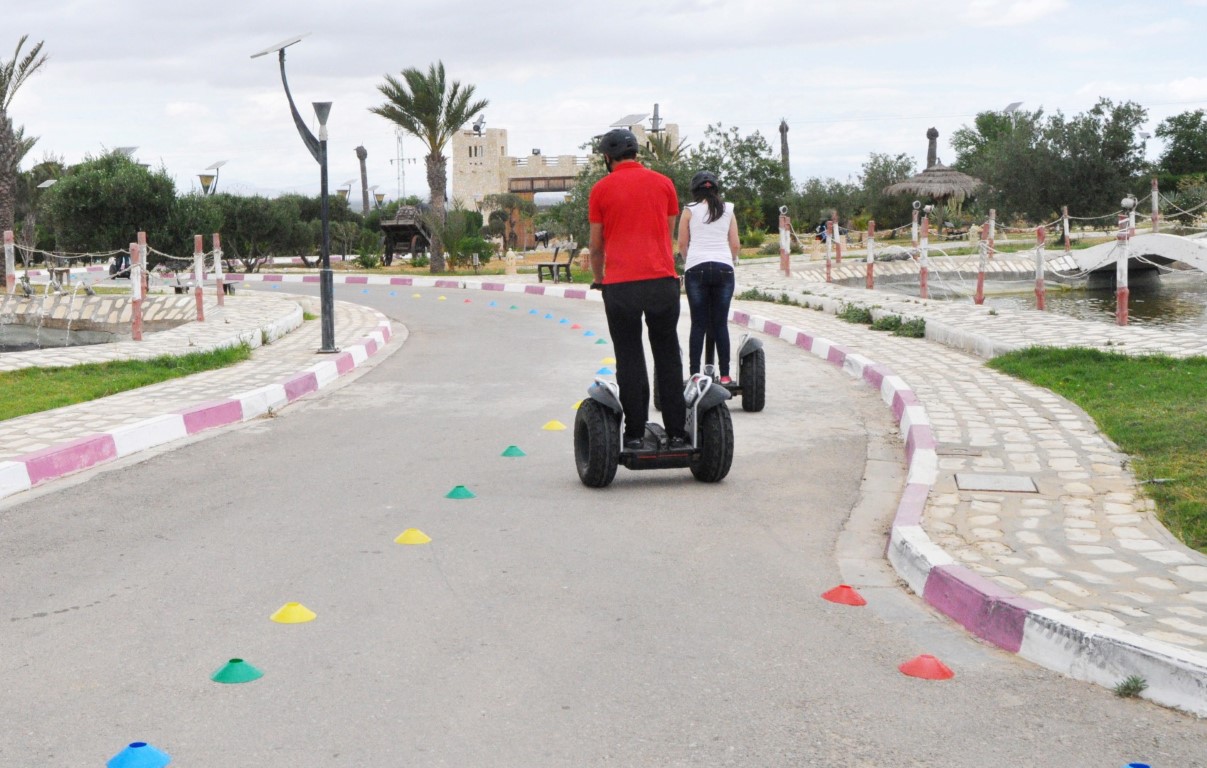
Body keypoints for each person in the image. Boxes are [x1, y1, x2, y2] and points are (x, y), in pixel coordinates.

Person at [588, 128, 688, 451]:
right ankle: (676, 431)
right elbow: (668, 236)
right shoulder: (664, 184)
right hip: (661, 282)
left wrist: (599, 278)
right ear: (637, 154)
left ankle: (633, 434)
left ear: (607, 157)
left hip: (620, 287)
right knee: (668, 353)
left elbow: (595, 246)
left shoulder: (600, 190)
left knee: (629, 357)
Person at [677, 170, 739, 383]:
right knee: (720, 323)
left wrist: (689, 260)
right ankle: (724, 375)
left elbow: (682, 244)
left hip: (696, 269)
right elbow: (735, 245)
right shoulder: (728, 209)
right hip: (724, 268)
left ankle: (695, 374)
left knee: (699, 324)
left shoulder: (689, 211)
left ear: (695, 190)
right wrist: (729, 259)